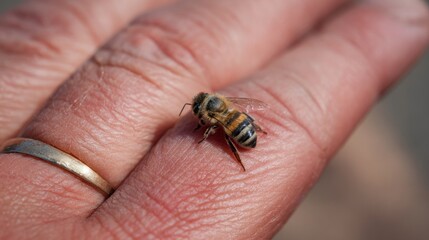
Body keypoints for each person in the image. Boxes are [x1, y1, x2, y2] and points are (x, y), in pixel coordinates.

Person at [0, 0, 428, 239]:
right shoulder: (227, 110)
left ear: (207, 114)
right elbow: (236, 116)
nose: (204, 115)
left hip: (249, 136)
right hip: (265, 132)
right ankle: (370, 191)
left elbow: (217, 127)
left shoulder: (210, 122)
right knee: (373, 190)